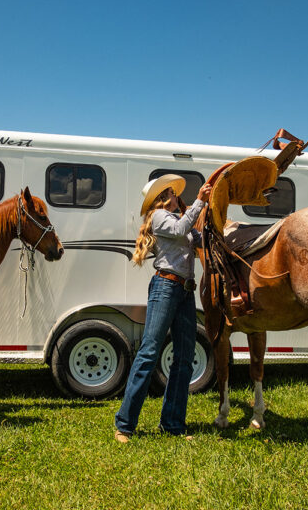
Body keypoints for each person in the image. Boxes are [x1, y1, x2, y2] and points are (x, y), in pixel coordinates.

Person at [114, 175, 211, 442]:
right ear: (162, 198)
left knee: (184, 357)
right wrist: (198, 202)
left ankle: (173, 424)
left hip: (184, 291)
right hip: (165, 287)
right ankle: (124, 424)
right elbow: (180, 230)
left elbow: (198, 239)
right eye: (171, 192)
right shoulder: (159, 217)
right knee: (149, 351)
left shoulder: (180, 219)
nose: (176, 195)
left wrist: (208, 213)